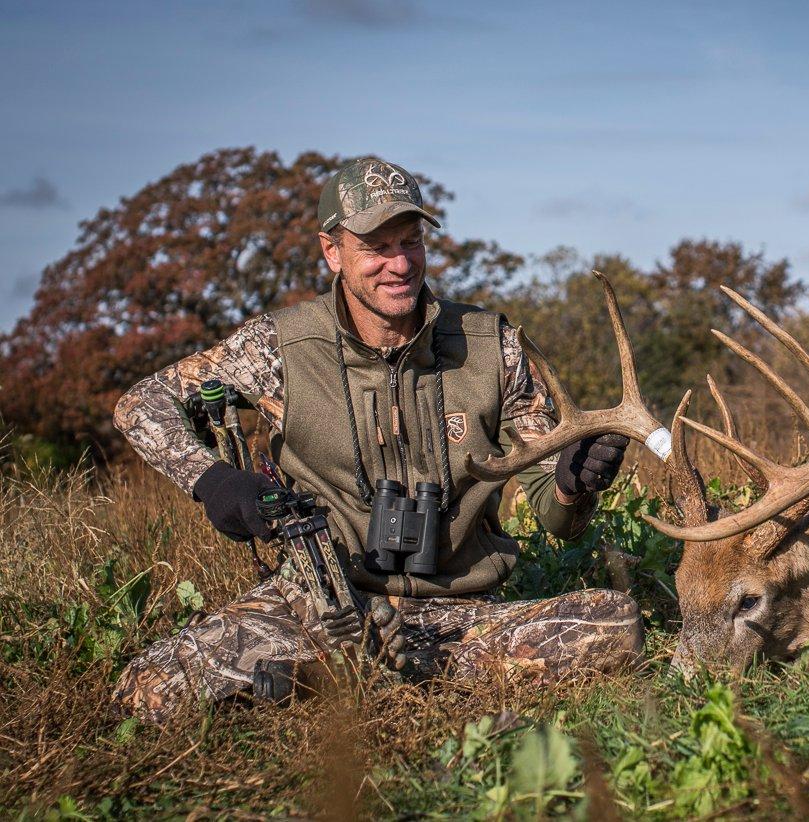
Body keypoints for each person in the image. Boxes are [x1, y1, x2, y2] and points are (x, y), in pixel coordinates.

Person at [111, 157, 643, 721]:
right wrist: (213, 481)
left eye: (410, 241)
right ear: (332, 251)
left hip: (460, 614)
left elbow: (559, 519)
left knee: (616, 625)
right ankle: (381, 672)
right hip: (318, 605)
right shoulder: (279, 347)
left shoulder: (494, 347)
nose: (398, 264)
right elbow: (141, 404)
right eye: (375, 247)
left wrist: (571, 486)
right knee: (149, 687)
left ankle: (340, 679)